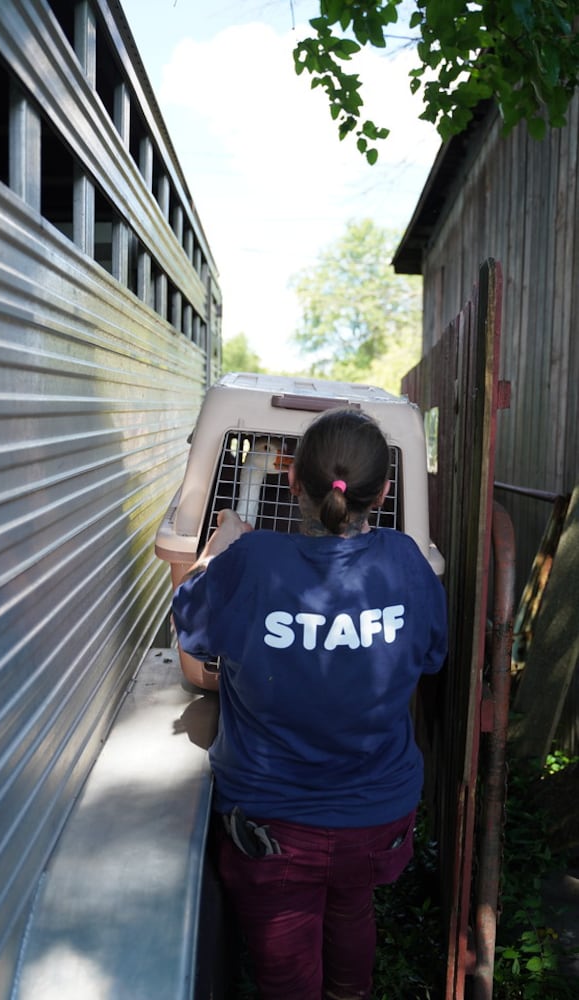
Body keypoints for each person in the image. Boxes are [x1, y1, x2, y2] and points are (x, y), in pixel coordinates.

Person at [172, 407, 448, 1000]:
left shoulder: (253, 561)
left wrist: (220, 549)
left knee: (284, 959)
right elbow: (429, 658)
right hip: (379, 820)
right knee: (352, 912)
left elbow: (192, 633)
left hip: (274, 825)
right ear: (387, 492)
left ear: (291, 478)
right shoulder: (407, 562)